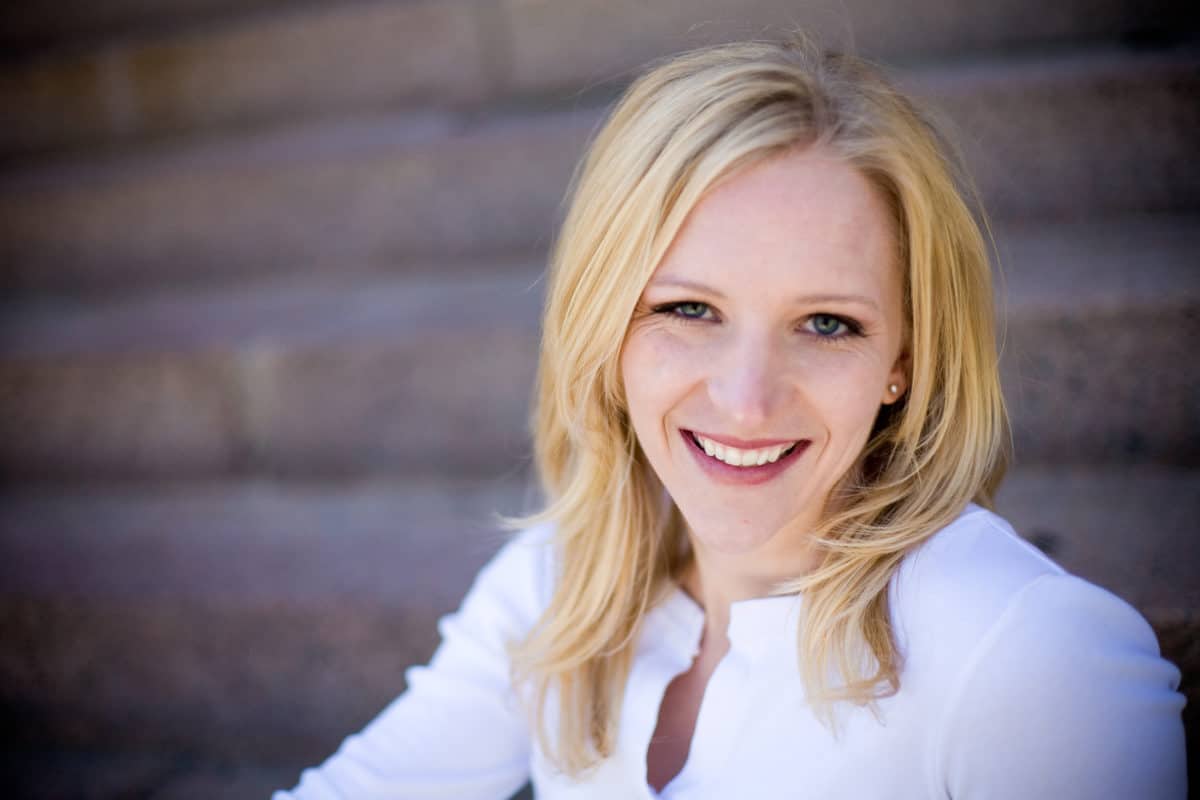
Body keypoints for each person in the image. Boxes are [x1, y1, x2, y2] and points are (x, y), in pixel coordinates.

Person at [274, 36, 1186, 799]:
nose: (746, 400)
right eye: (689, 310)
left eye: (826, 324)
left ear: (904, 361)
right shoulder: (555, 586)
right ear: (604, 327)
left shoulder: (1028, 653)